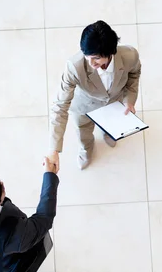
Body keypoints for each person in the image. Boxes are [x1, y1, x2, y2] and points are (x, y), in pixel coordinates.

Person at [49, 20, 142, 170]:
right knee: (83, 132)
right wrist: (54, 149)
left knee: (111, 125)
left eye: (96, 58)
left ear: (111, 53)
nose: (91, 63)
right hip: (84, 107)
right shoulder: (74, 66)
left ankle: (108, 134)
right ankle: (86, 150)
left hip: (114, 103)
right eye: (87, 56)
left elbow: (134, 75)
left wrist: (129, 100)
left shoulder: (130, 56)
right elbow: (59, 106)